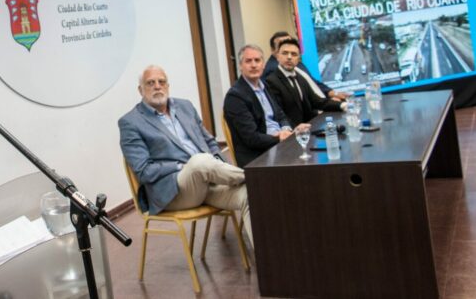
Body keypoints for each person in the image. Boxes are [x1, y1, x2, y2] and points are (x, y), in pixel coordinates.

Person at [119, 65, 251, 244]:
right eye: (150, 83)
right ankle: (252, 177)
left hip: (207, 182)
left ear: (168, 86)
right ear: (140, 89)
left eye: (161, 82)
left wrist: (217, 164)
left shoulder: (185, 106)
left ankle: (268, 262)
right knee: (199, 161)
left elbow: (210, 142)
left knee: (249, 194)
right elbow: (144, 171)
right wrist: (183, 166)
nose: (157, 86)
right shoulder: (131, 122)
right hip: (174, 192)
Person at [224, 44, 306, 167]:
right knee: (305, 164)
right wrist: (278, 138)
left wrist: (286, 130)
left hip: (278, 146)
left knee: (311, 149)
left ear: (263, 65)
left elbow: (280, 115)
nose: (253, 65)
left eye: (257, 60)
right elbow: (251, 138)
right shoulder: (235, 96)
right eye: (248, 61)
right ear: (240, 66)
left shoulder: (264, 86)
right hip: (258, 157)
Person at [265, 38, 344, 127]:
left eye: (294, 54)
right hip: (293, 134)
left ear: (298, 59)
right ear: (278, 57)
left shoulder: (300, 77)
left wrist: (342, 105)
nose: (289, 57)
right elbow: (280, 115)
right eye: (285, 53)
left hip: (310, 129)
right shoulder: (271, 81)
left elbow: (318, 101)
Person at [263, 31, 348, 102]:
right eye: (282, 45)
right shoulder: (274, 69)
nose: (288, 47)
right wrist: (329, 102)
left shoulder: (295, 62)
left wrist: (332, 93)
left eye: (289, 43)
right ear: (274, 51)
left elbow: (311, 81)